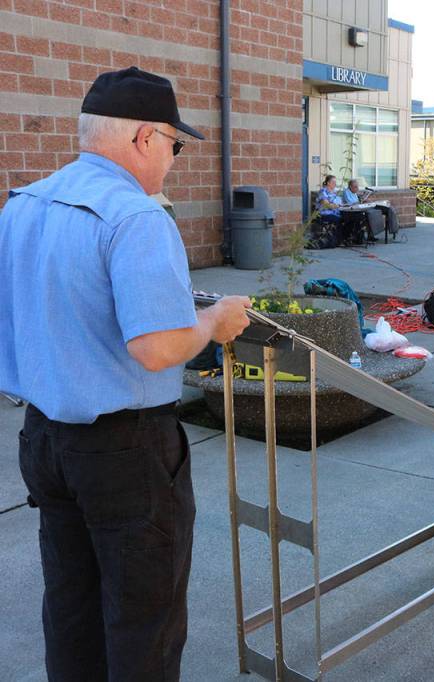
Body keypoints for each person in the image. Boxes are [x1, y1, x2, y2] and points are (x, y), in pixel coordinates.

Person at [0, 67, 252, 679]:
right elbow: (159, 348)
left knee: (71, 601)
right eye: (174, 142)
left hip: (44, 438)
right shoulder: (136, 217)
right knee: (145, 618)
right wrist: (215, 320)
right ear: (144, 138)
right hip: (125, 449)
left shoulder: (24, 204)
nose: (174, 157)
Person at [316, 175, 345, 245]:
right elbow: (326, 205)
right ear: (328, 183)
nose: (335, 184)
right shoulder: (323, 192)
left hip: (336, 212)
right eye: (333, 182)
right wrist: (336, 206)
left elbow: (341, 203)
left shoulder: (335, 192)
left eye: (335, 182)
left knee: (350, 218)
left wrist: (341, 205)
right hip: (325, 214)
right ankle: (338, 241)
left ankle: (346, 239)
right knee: (340, 219)